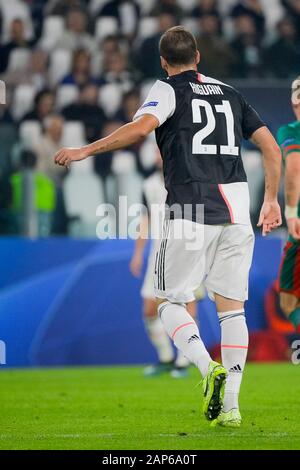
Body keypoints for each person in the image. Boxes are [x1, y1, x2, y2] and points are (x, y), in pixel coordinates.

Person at [54, 26, 282, 428]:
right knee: (232, 310)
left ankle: (204, 366)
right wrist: (270, 201)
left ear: (164, 62)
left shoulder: (166, 89)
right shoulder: (230, 93)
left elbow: (141, 129)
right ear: (198, 57)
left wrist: (84, 149)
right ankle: (231, 406)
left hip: (191, 207)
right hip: (237, 209)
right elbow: (270, 146)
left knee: (168, 303)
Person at [130, 153, 199, 378]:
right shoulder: (149, 185)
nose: (163, 155)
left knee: (187, 304)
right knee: (149, 309)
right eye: (159, 151)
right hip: (157, 254)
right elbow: (146, 219)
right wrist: (138, 253)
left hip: (184, 251)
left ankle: (183, 360)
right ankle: (166, 357)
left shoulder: (188, 179)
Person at [277, 77, 300, 330]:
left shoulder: (292, 131)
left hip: (299, 226)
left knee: (288, 302)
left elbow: (294, 166)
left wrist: (292, 212)